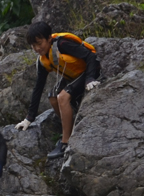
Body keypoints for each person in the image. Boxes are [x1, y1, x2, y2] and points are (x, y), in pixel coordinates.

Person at [15, 21, 101, 159]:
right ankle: (70, 129)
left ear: (49, 38)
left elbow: (90, 56)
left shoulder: (62, 44)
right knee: (53, 97)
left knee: (63, 97)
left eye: (39, 43)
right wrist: (29, 118)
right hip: (72, 76)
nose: (37, 48)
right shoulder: (43, 60)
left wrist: (90, 78)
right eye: (33, 46)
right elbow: (38, 87)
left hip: (88, 72)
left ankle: (65, 142)